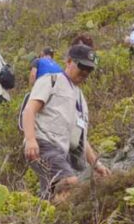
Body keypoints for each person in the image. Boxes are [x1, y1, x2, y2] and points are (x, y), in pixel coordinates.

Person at [21, 44, 111, 199]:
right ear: (69, 62)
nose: (85, 72)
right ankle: (69, 221)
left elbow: (80, 137)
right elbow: (29, 110)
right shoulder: (51, 81)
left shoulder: (80, 98)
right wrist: (30, 140)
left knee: (52, 193)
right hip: (43, 146)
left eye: (89, 69)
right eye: (82, 66)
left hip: (63, 152)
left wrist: (97, 164)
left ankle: (43, 219)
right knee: (69, 183)